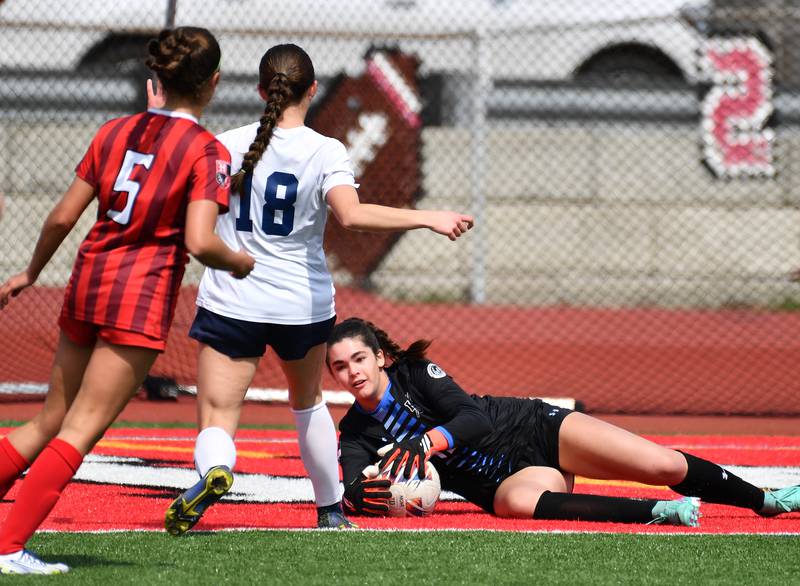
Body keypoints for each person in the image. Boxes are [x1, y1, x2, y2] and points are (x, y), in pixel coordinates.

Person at [162, 43, 473, 534]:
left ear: (262, 90)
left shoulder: (221, 145)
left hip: (232, 297)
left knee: (219, 410)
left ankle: (216, 470)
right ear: (312, 90)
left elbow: (191, 216)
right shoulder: (325, 149)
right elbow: (351, 215)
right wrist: (429, 218)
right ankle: (330, 511)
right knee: (307, 404)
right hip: (300, 305)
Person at [0, 27, 254, 575]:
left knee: (49, 418)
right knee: (80, 429)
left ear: (156, 80)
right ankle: (8, 545)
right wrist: (239, 263)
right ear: (212, 84)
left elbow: (63, 216)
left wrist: (29, 272)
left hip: (87, 282)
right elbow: (200, 241)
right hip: (137, 299)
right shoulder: (206, 149)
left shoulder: (114, 130)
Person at [328, 317, 800, 525]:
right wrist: (355, 494)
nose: (353, 373)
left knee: (662, 467)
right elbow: (348, 481)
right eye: (340, 367)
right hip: (511, 479)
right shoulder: (356, 431)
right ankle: (660, 514)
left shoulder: (414, 373)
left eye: (359, 360)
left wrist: (426, 442)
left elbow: (474, 418)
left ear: (382, 357)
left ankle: (764, 501)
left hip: (535, 429)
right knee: (510, 505)